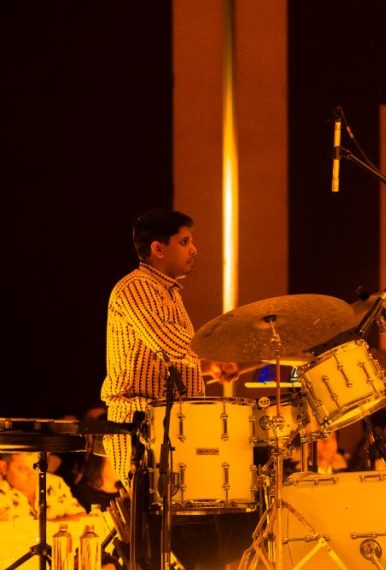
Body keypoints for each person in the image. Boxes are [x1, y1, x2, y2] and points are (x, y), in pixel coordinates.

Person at [100, 209, 238, 483]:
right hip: (139, 423)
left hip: (165, 421)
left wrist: (208, 367)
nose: (194, 249)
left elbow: (164, 358)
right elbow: (167, 342)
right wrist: (214, 355)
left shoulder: (167, 292)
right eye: (184, 242)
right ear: (158, 249)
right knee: (152, 506)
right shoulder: (136, 287)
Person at [0, 452, 86, 521]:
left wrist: (48, 525)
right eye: (24, 469)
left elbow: (80, 516)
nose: (33, 475)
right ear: (3, 467)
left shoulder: (54, 483)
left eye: (38, 468)